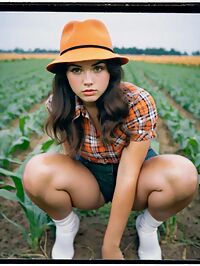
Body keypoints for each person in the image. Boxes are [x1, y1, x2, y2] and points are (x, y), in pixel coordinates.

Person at [22, 19, 198, 260]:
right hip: (90, 178)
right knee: (35, 171)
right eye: (76, 69)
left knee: (184, 174)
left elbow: (128, 175)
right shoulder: (59, 103)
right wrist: (73, 185)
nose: (88, 80)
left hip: (136, 177)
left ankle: (147, 227)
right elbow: (70, 156)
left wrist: (111, 246)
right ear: (65, 75)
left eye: (97, 68)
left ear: (110, 71)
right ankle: (65, 226)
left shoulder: (137, 101)